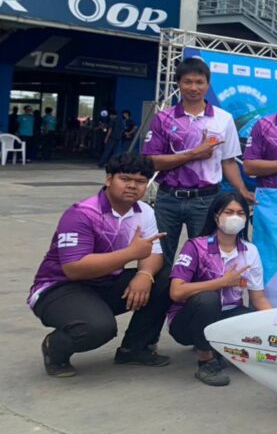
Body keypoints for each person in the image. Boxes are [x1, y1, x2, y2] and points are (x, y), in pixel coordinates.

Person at [28, 153, 172, 377]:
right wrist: (130, 254)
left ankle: (134, 349)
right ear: (108, 179)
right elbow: (74, 268)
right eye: (125, 179)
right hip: (59, 287)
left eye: (141, 181)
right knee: (98, 328)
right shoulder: (82, 214)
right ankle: (54, 347)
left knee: (165, 278)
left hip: (105, 282)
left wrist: (144, 274)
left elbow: (153, 252)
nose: (132, 186)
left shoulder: (144, 212)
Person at [143, 57, 253, 266]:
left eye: (199, 82)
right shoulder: (163, 118)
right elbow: (151, 162)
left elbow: (229, 162)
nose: (194, 88)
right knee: (160, 256)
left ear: (208, 84)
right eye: (188, 82)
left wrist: (242, 190)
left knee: (205, 258)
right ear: (178, 83)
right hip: (167, 198)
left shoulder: (223, 118)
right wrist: (194, 154)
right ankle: (163, 288)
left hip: (206, 199)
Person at [168, 192, 271, 386]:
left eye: (240, 213)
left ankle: (217, 347)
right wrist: (222, 282)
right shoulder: (195, 247)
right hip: (187, 323)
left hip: (228, 317)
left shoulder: (250, 251)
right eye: (229, 212)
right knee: (208, 298)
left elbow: (258, 299)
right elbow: (176, 291)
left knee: (256, 323)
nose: (235, 217)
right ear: (216, 217)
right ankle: (206, 361)